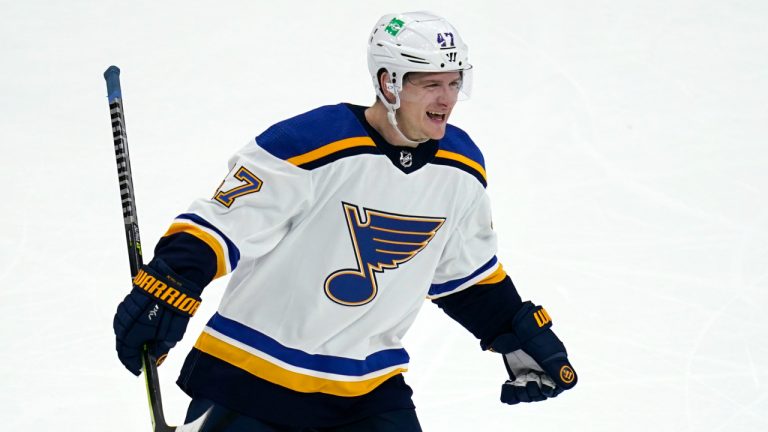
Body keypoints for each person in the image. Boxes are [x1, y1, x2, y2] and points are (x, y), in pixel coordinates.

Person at [113, 11, 577, 432]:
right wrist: (169, 283)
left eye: (454, 83)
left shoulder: (461, 167)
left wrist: (515, 329)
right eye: (430, 84)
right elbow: (220, 223)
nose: (447, 99)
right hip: (252, 376)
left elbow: (465, 273)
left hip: (369, 392)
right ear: (389, 82)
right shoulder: (311, 142)